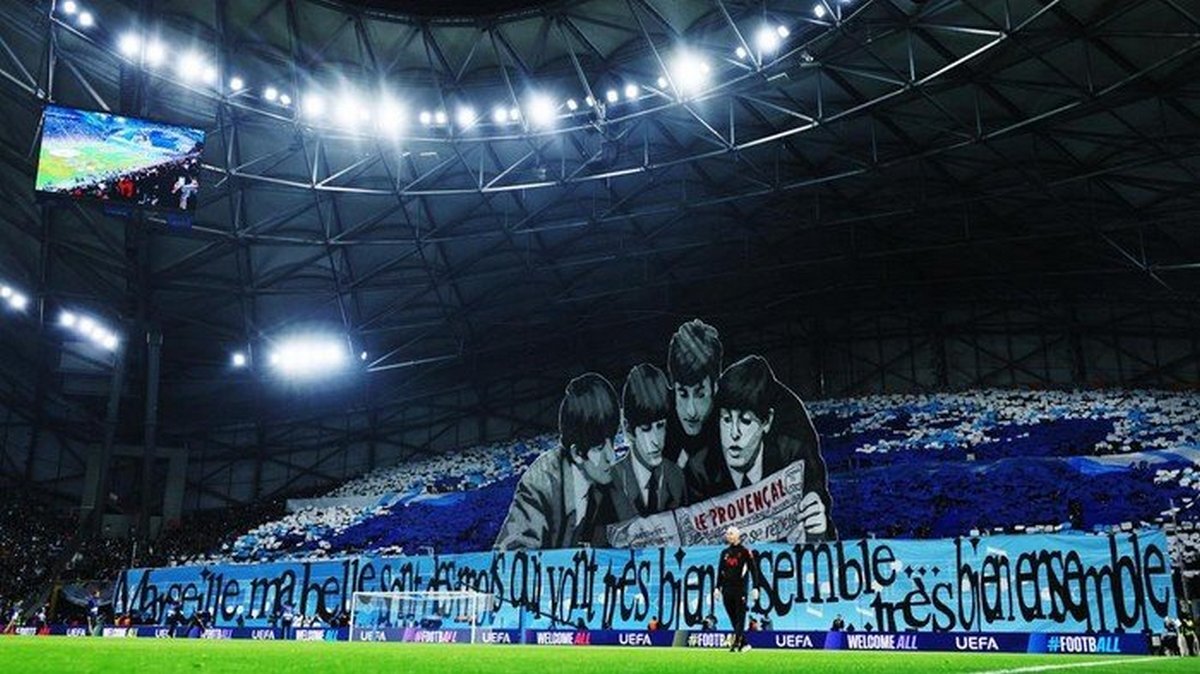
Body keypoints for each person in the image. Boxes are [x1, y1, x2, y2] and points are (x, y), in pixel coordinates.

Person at [494, 374, 637, 549]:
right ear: (577, 453)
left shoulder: (610, 477)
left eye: (612, 441)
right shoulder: (541, 481)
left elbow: (632, 535)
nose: (611, 457)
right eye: (599, 448)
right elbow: (511, 553)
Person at [703, 355, 836, 539]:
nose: (734, 433)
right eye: (726, 419)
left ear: (766, 422)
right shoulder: (703, 464)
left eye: (746, 421)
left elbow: (820, 520)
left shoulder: (795, 452)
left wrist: (817, 530)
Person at [663, 320, 729, 502]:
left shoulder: (732, 421)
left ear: (715, 387)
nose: (691, 411)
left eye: (700, 395)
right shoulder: (661, 425)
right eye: (683, 394)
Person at [613, 364, 687, 515]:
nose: (656, 441)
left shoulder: (676, 476)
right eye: (646, 429)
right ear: (628, 430)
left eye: (660, 426)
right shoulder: (612, 482)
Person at [713, 526, 763, 653]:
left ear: (737, 535)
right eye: (727, 534)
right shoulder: (724, 553)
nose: (728, 536)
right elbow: (720, 571)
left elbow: (754, 570)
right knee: (733, 617)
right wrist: (717, 587)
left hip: (740, 589)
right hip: (727, 589)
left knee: (740, 616)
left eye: (730, 533)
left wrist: (756, 587)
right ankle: (744, 643)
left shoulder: (745, 551)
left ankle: (736, 643)